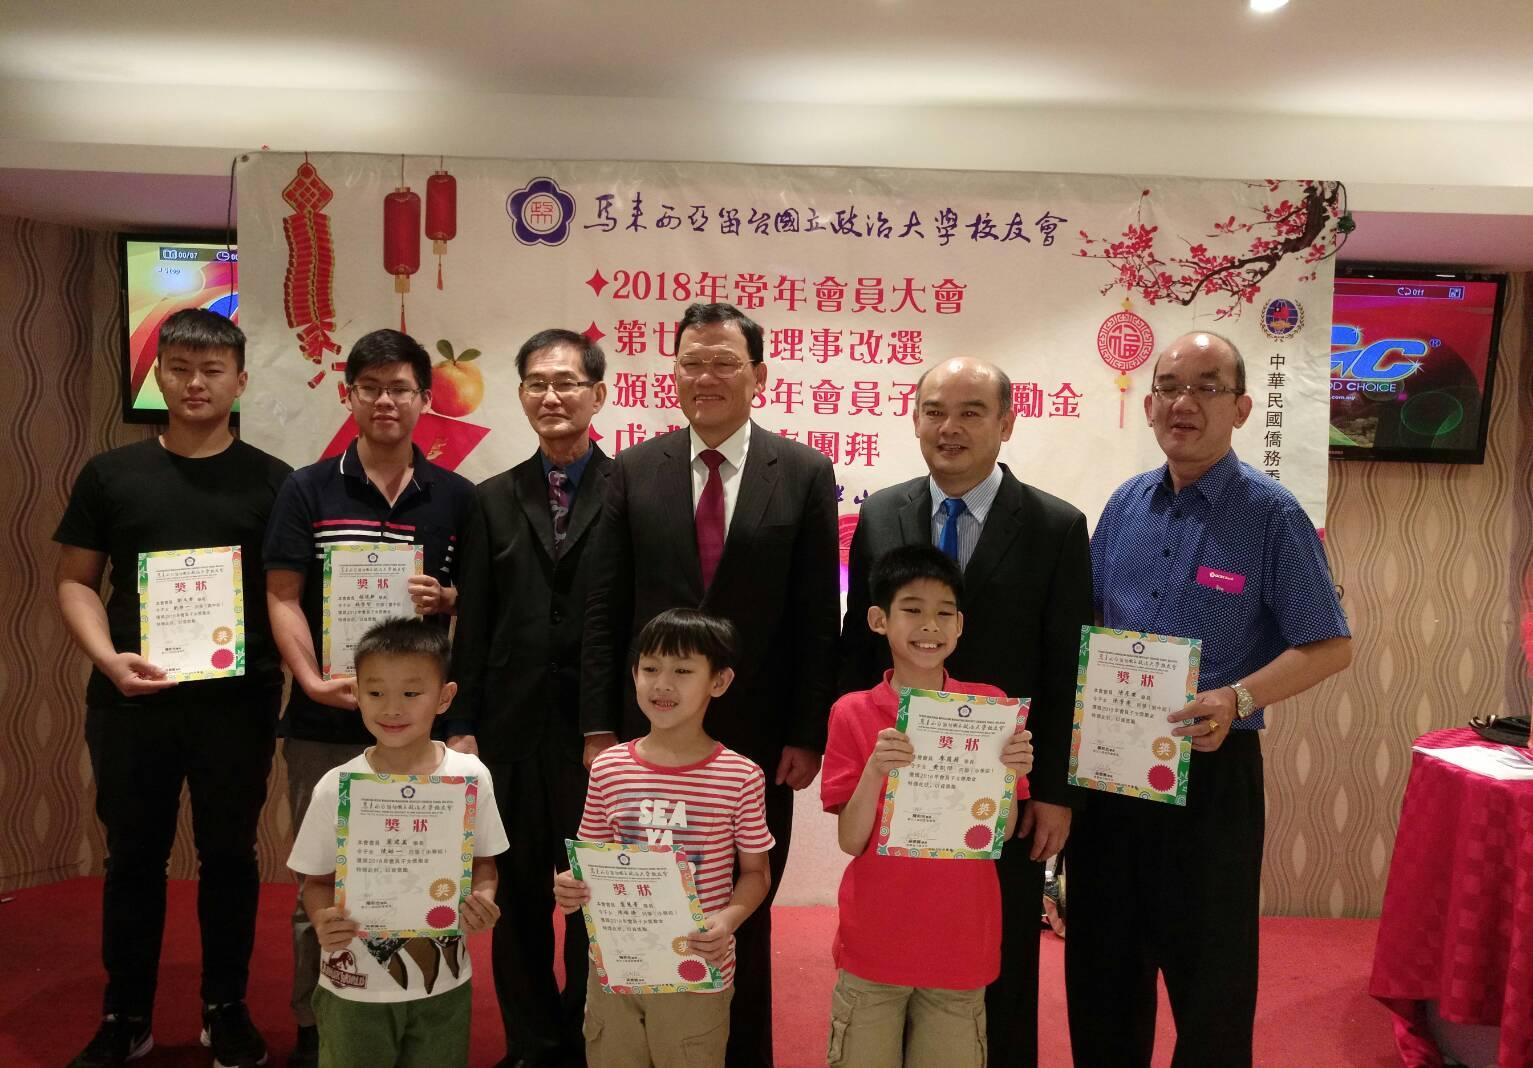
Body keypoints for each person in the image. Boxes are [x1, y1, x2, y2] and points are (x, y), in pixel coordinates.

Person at [1065, 331, 1352, 1067]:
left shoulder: (1270, 514)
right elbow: (1089, 626)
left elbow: (1329, 643)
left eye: (1203, 387)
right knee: (1100, 966)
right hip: (1111, 772)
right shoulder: (1125, 503)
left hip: (1212, 774)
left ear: (1241, 407)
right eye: (1166, 386)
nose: (1180, 404)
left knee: (1211, 979)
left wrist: (1237, 696)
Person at [581, 303, 839, 1066]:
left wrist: (805, 731)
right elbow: (605, 608)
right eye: (692, 362)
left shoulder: (801, 473)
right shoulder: (633, 469)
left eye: (724, 362)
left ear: (758, 375)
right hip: (649, 735)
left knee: (741, 908)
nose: (706, 377)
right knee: (644, 898)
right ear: (673, 373)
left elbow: (814, 615)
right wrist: (600, 726)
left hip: (758, 739)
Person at [54, 309, 292, 1068]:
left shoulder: (273, 481)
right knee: (133, 857)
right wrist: (109, 660)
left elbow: (289, 595)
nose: (196, 382)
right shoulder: (110, 474)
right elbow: (75, 583)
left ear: (240, 381)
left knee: (229, 856)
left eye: (213, 369)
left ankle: (226, 1007)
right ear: (159, 375)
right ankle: (125, 1012)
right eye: (182, 367)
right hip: (131, 701)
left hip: (238, 703)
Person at [838, 356, 1092, 1066]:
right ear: (914, 418)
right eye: (934, 411)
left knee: (1001, 952)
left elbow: (1068, 663)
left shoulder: (1053, 525)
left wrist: (1053, 793)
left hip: (999, 787)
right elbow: (858, 647)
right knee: (896, 944)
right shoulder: (883, 511)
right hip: (901, 779)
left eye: (972, 412)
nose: (949, 428)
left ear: (1007, 422)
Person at [265, 328, 475, 1067]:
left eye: (401, 389)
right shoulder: (307, 488)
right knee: (319, 882)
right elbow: (282, 594)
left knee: (421, 864)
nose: (386, 401)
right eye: (371, 387)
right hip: (327, 719)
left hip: (422, 725)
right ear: (348, 393)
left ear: (424, 400)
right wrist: (311, 680)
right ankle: (317, 1021)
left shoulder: (456, 498)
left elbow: (474, 608)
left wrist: (447, 597)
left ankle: (417, 1006)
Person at [448, 327, 610, 1066]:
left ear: (598, 395)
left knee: (589, 891)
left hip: (595, 734)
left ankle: (581, 1038)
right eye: (537, 383)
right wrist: (461, 725)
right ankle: (529, 1043)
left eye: (567, 382)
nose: (552, 395)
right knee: (513, 899)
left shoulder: (633, 489)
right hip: (508, 732)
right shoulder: (488, 499)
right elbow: (473, 619)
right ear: (520, 395)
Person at [822, 544, 1035, 1067]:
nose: (929, 626)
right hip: (874, 942)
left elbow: (1000, 834)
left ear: (960, 625)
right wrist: (875, 769)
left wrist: (1010, 774)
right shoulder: (852, 712)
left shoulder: (989, 708)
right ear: (878, 619)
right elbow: (851, 839)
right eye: (912, 609)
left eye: (944, 613)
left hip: (962, 943)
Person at [557, 608, 774, 1068]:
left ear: (719, 681)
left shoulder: (740, 776)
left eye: (682, 670)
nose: (662, 684)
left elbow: (756, 873)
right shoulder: (609, 768)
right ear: (633, 674)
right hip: (614, 963)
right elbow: (587, 859)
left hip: (697, 966)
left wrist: (728, 921)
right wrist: (569, 886)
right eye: (650, 668)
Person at [288, 617, 508, 1067]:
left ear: (444, 697)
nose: (392, 708)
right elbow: (315, 882)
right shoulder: (338, 785)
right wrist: (322, 917)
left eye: (411, 693)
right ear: (356, 694)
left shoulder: (470, 776)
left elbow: (484, 863)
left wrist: (483, 900)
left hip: (443, 983)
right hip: (353, 986)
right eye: (375, 693)